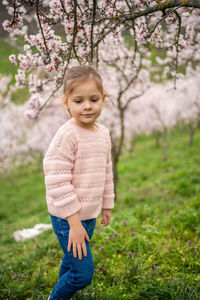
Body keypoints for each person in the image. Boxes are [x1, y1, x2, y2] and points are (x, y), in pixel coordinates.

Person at [43, 65, 115, 300]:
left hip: (88, 215)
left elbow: (106, 170)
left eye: (93, 99)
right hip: (67, 218)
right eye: (78, 100)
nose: (87, 106)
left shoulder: (103, 133)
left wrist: (106, 204)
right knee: (82, 275)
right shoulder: (67, 135)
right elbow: (56, 181)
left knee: (72, 261)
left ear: (103, 99)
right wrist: (74, 223)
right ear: (66, 103)